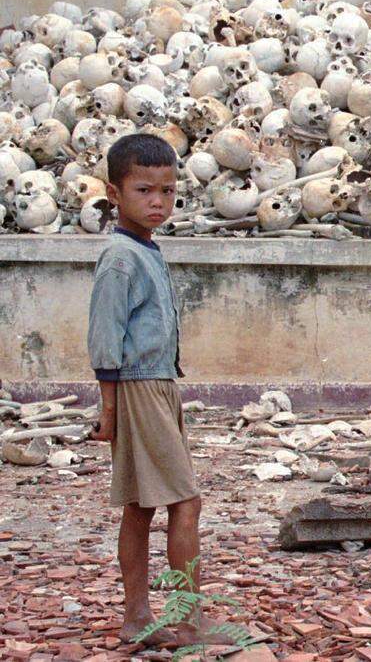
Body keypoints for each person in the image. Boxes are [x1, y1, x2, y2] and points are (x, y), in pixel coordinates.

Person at [87, 133, 206, 647]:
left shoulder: (145, 249)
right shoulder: (120, 258)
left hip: (159, 385)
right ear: (115, 194)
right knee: (185, 502)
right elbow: (104, 336)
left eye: (167, 191)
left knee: (141, 506)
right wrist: (109, 407)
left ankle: (137, 617)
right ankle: (183, 620)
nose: (157, 202)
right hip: (137, 389)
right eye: (143, 191)